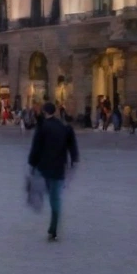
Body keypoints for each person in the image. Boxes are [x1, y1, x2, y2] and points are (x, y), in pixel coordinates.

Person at [27, 102, 80, 242]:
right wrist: (74, 159)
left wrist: (32, 163)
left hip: (44, 166)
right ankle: (54, 228)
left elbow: (36, 147)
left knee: (37, 183)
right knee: (55, 198)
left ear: (45, 112)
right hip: (58, 167)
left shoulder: (43, 127)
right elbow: (72, 146)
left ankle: (35, 197)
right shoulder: (64, 127)